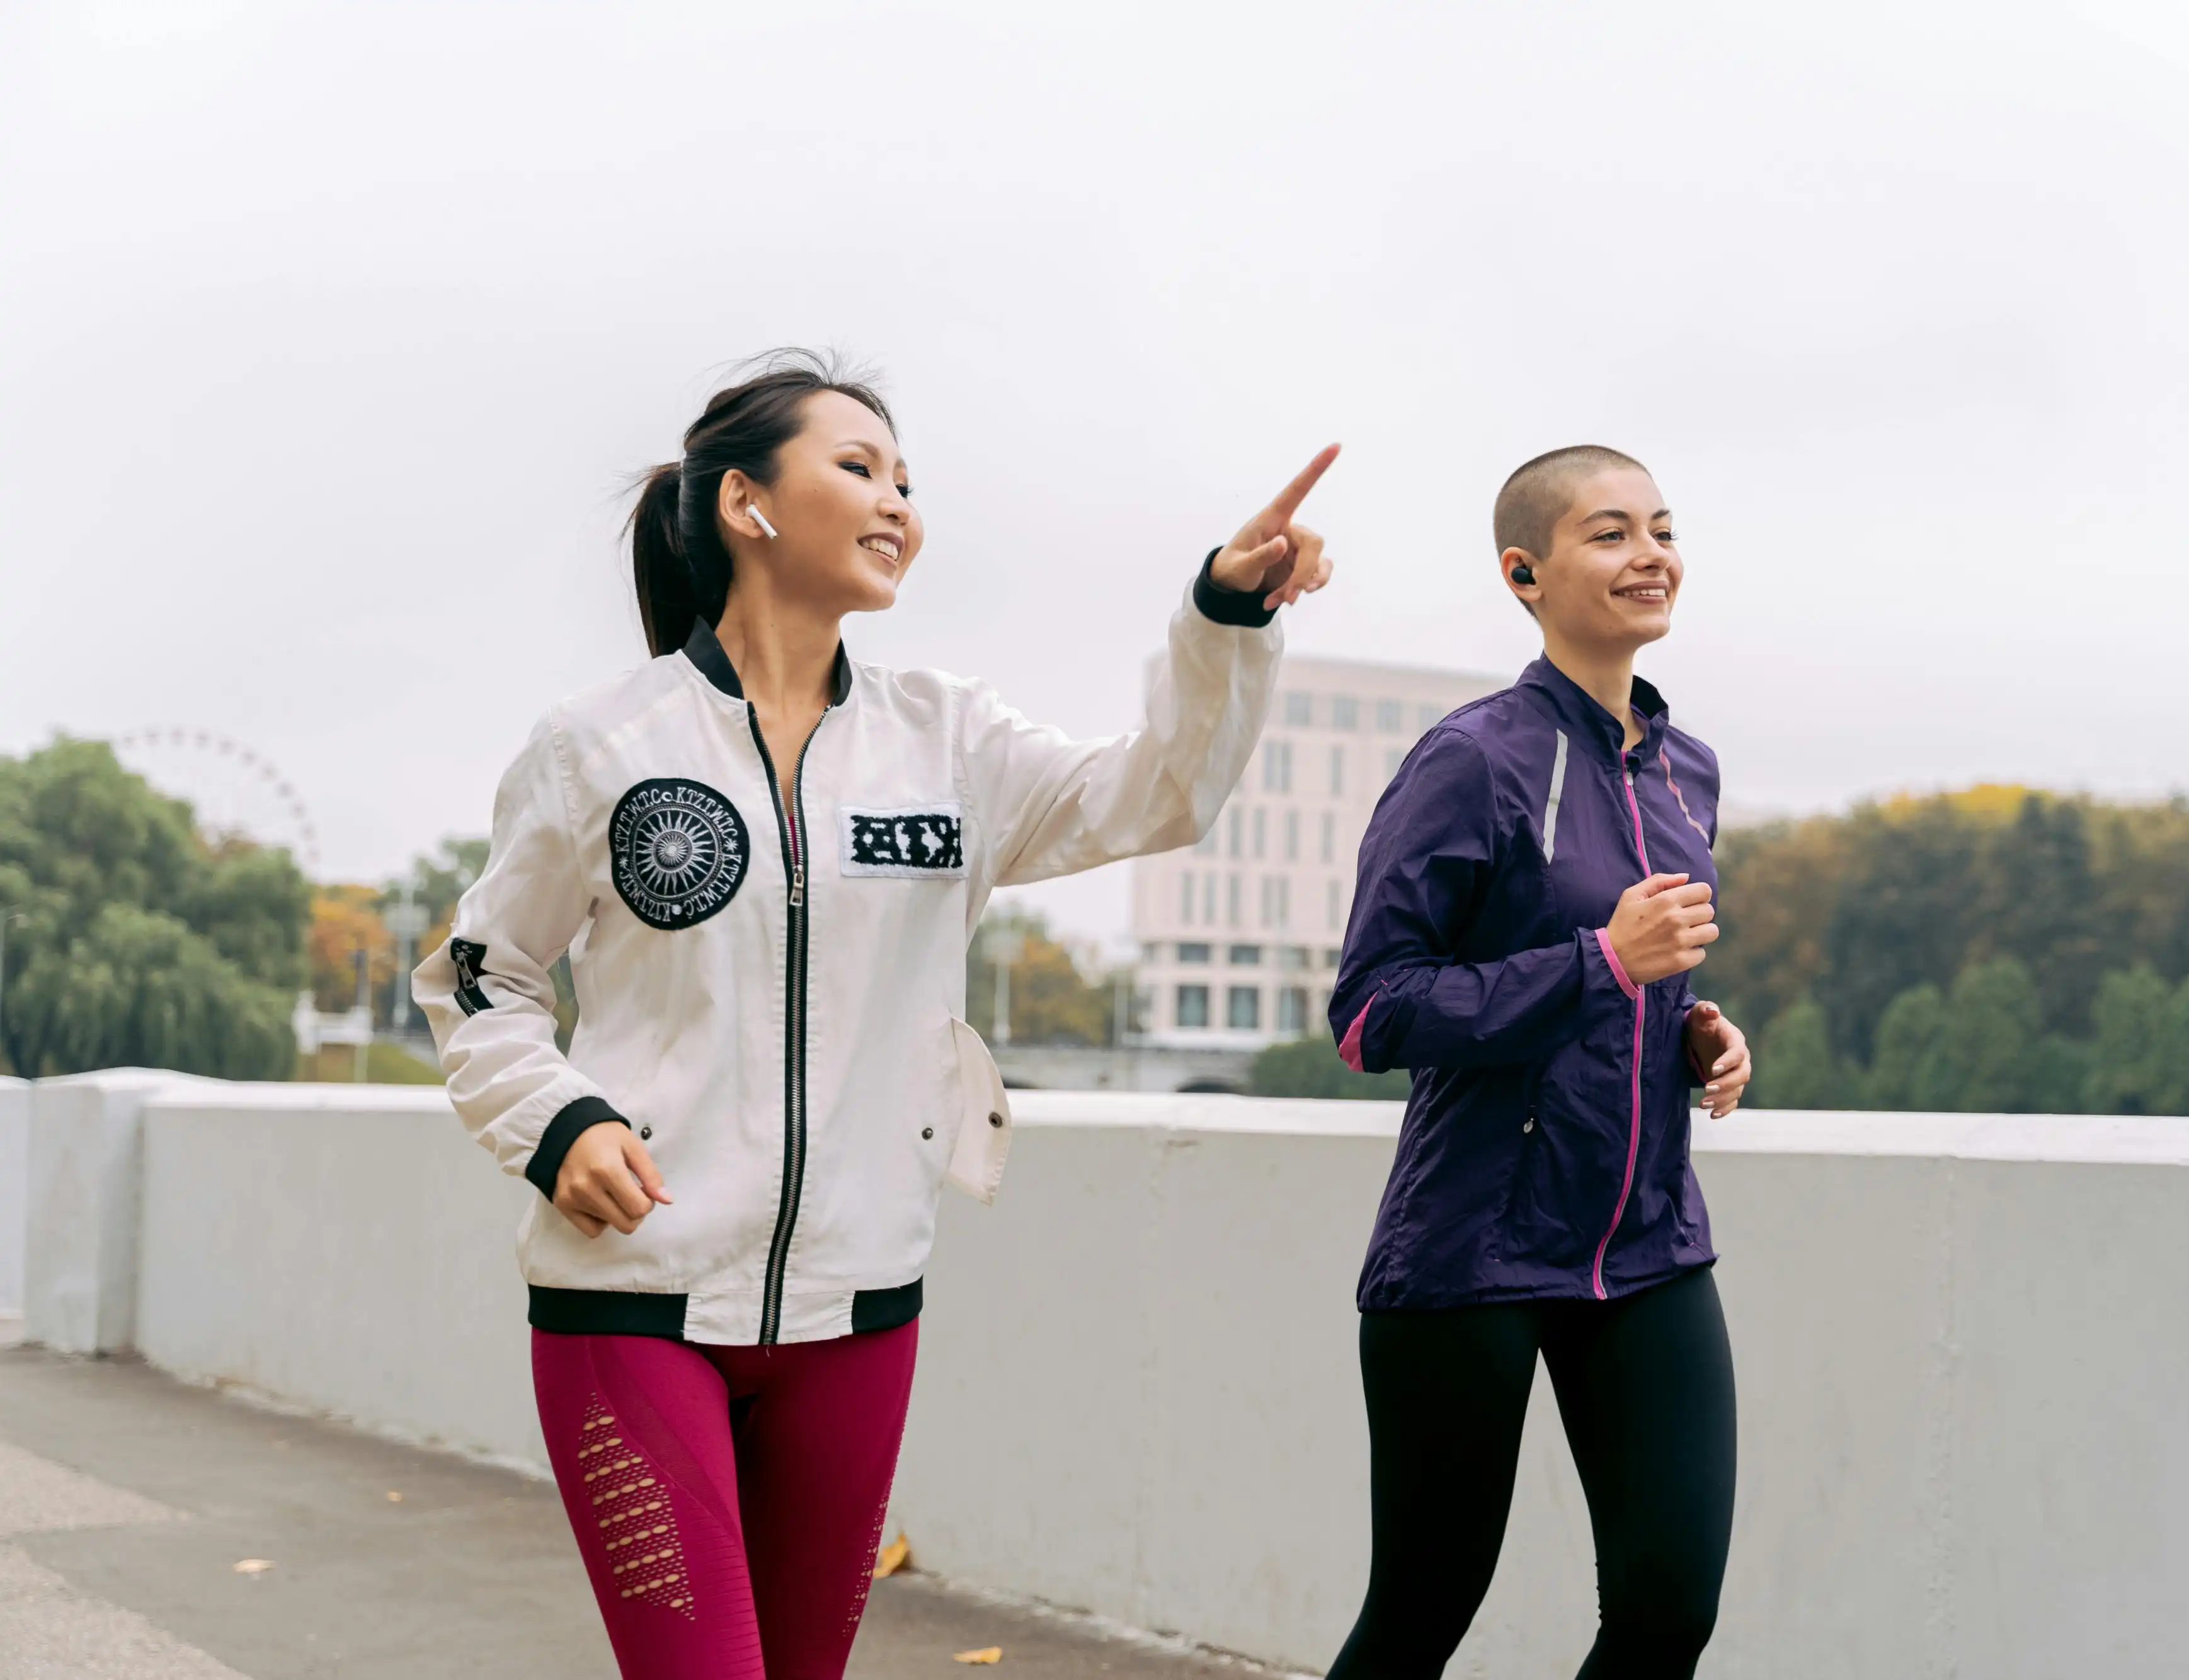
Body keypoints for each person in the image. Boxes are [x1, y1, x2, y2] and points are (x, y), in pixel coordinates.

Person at [412, 351, 1337, 1679]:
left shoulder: (948, 741)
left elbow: (1159, 795)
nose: (898, 500)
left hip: (861, 1310)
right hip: (634, 1302)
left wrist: (1225, 616)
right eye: (858, 468)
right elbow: (478, 975)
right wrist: (558, 1123)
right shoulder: (601, 745)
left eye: (906, 479)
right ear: (747, 503)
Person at [1322, 444, 1752, 1676]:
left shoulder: (1687, 768)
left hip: (1647, 1241)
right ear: (1524, 573)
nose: (1650, 554)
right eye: (1609, 533)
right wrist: (1602, 965)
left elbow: (1637, 969)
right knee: (1421, 1612)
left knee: (1668, 1610)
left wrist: (1690, 1025)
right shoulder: (1473, 760)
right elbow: (1371, 1013)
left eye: (1662, 529)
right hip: (1474, 1245)